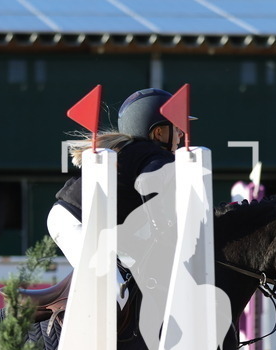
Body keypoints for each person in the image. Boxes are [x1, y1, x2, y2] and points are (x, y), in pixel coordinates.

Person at [48, 88, 185, 268]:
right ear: (159, 133)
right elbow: (148, 182)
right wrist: (161, 228)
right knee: (108, 288)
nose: (181, 134)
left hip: (91, 226)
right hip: (76, 221)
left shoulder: (137, 152)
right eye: (176, 128)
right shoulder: (157, 155)